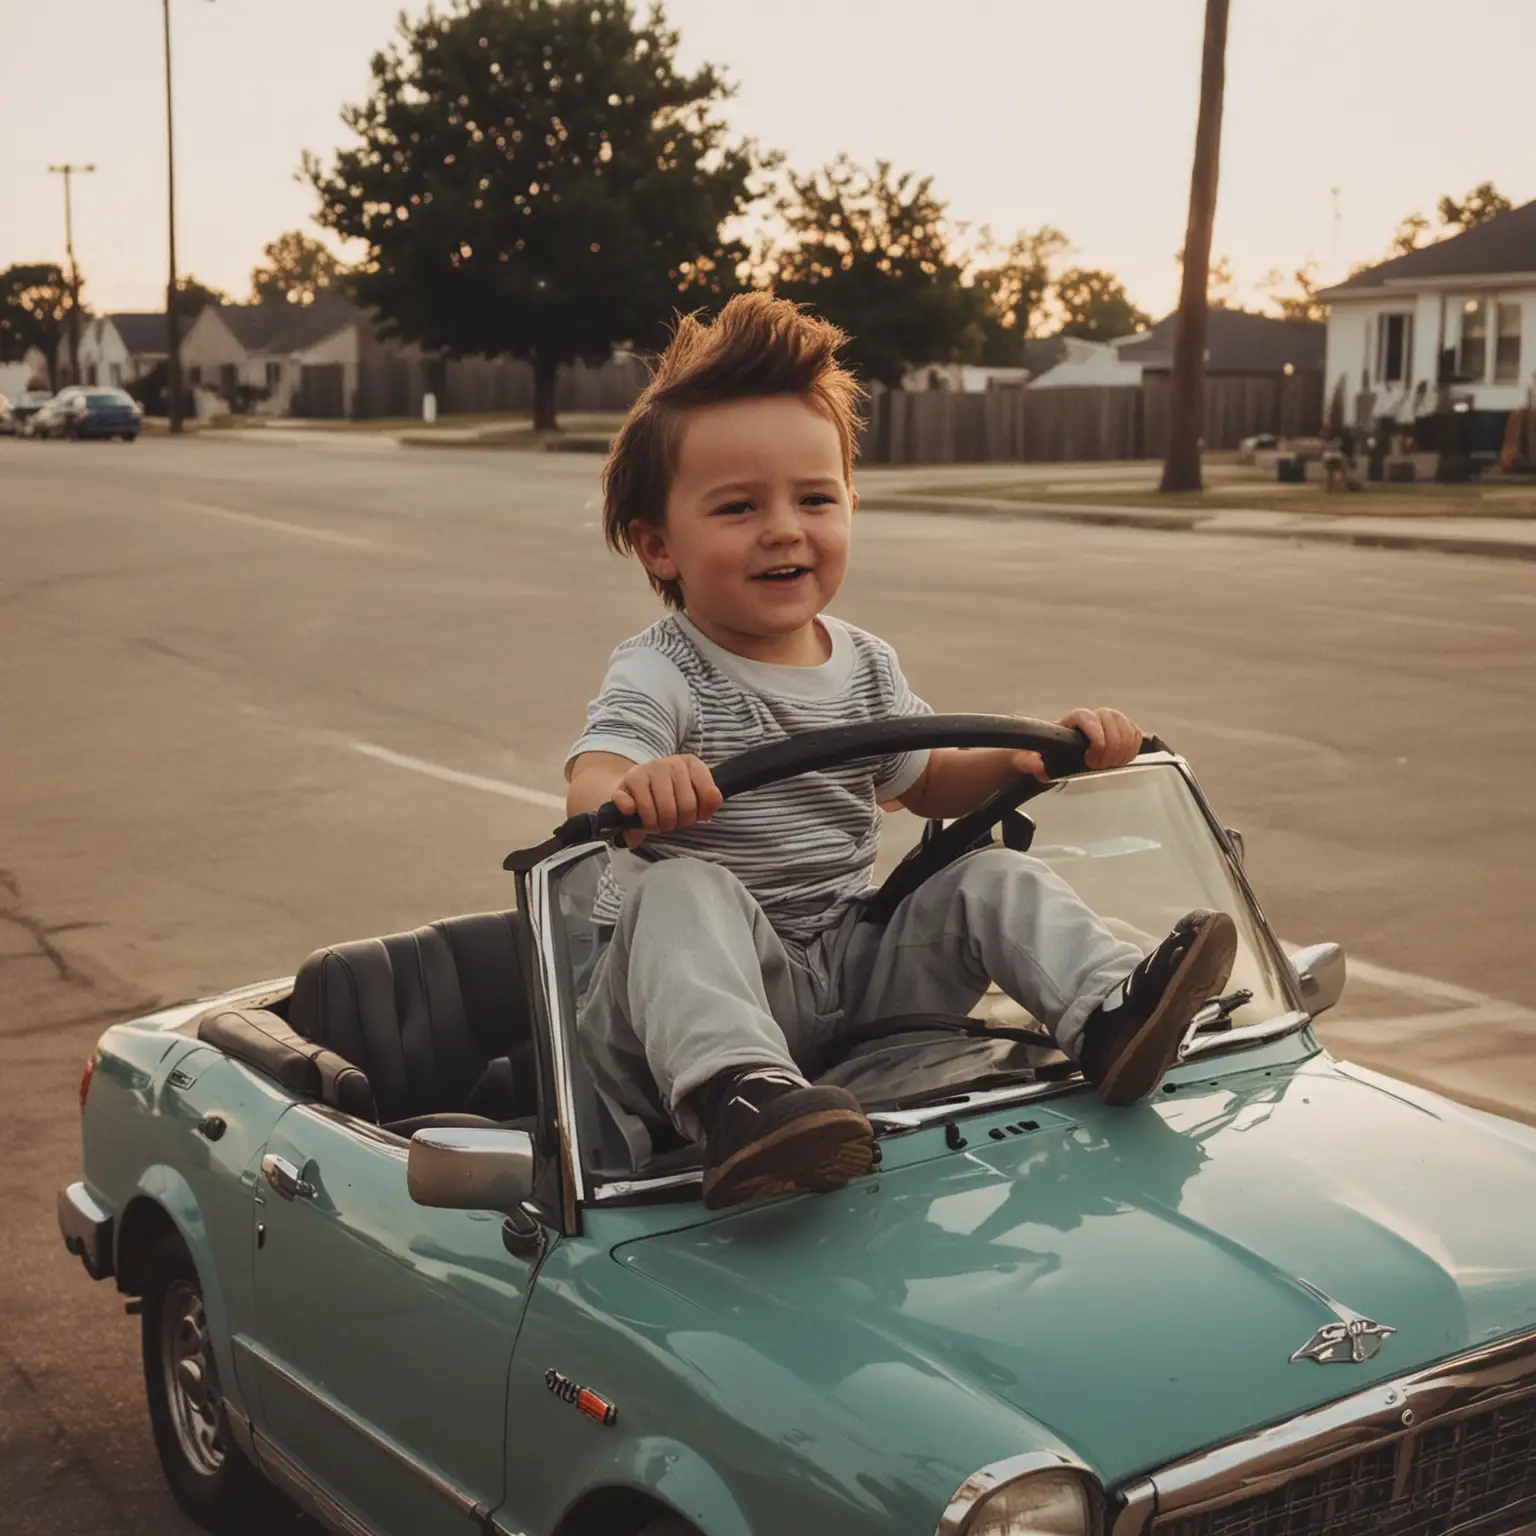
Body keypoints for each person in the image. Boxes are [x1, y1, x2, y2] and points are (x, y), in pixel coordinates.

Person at [566, 293, 1236, 1210]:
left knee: (986, 875)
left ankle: (1113, 1013)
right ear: (657, 544)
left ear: (850, 505)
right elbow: (589, 787)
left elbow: (928, 784)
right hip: (683, 1003)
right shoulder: (663, 669)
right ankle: (739, 1098)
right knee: (680, 887)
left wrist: (1035, 755)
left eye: (815, 498)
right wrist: (639, 785)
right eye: (737, 507)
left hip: (843, 966)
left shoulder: (866, 664)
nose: (784, 528)